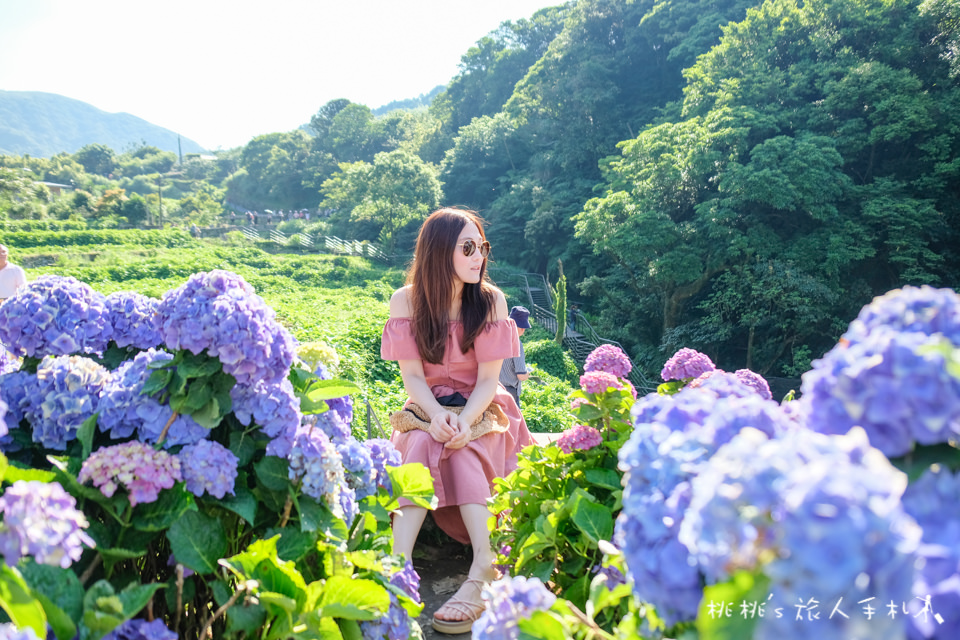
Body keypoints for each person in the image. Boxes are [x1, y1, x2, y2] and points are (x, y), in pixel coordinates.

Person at [380, 207, 533, 634]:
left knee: (461, 447)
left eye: (481, 246)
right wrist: (434, 417)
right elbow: (412, 376)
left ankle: (483, 568)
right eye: (468, 247)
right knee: (421, 444)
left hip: (484, 407)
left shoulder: (489, 301)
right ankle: (398, 567)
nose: (478, 256)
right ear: (439, 251)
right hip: (427, 403)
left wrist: (463, 420)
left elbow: (488, 381)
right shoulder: (406, 300)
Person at [499, 306, 531, 408]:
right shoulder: (516, 342)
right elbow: (521, 375)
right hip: (509, 392)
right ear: (521, 327)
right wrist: (528, 373)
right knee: (513, 422)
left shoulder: (497, 336)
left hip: (492, 389)